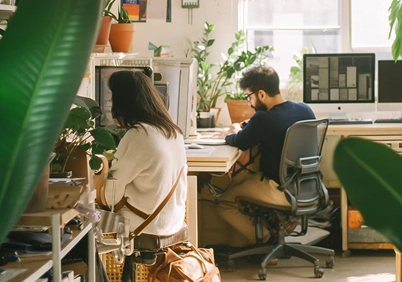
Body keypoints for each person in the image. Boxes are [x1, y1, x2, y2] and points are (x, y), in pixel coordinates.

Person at [200, 65, 315, 247]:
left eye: (249, 97)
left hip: (279, 189)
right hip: (306, 186)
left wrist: (235, 129)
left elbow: (237, 141)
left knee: (225, 203)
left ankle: (266, 239)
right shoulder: (304, 110)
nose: (249, 102)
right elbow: (261, 123)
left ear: (261, 94)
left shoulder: (265, 119)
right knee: (247, 178)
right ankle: (277, 230)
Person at [96, 70, 187, 236]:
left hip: (143, 223)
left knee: (83, 217)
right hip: (174, 221)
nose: (110, 100)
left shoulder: (139, 135)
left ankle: (93, 263)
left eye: (113, 96)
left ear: (124, 101)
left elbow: (111, 196)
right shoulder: (174, 132)